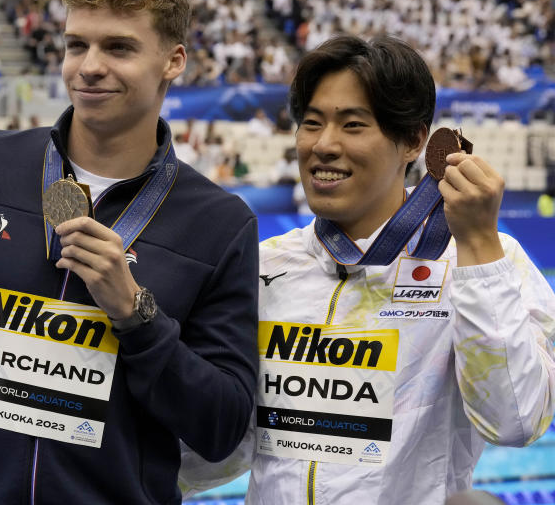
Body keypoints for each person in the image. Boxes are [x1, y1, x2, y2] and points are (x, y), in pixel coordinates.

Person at [0, 0, 259, 504]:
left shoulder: (220, 224)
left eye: (119, 47)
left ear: (173, 61)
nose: (89, 66)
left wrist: (137, 315)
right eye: (76, 44)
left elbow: (221, 427)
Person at [179, 35, 555, 504]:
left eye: (353, 125)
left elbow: (515, 421)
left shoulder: (482, 260)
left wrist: (479, 247)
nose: (324, 145)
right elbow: (228, 444)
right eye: (311, 123)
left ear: (413, 141)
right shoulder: (266, 263)